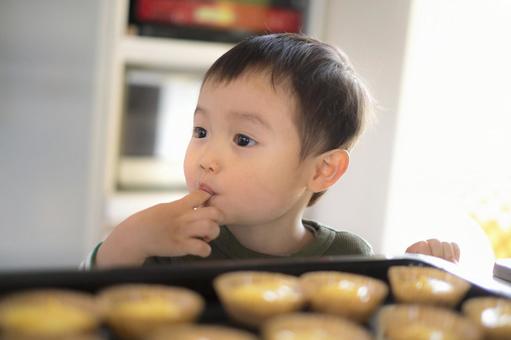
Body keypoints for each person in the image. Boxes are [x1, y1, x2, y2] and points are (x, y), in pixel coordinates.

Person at [83, 33, 459, 269]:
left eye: (243, 140)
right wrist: (129, 241)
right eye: (201, 131)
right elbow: (91, 300)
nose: (206, 158)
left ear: (323, 170)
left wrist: (415, 275)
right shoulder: (175, 239)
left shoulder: (349, 258)